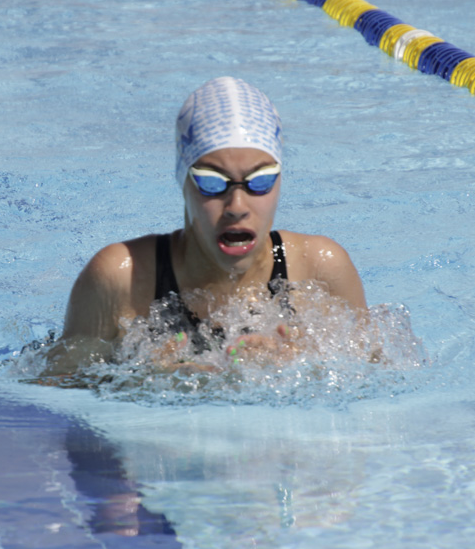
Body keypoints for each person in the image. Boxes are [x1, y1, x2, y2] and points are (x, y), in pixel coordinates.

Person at [40, 77, 368, 379]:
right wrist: (142, 383)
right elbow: (53, 392)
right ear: (182, 179)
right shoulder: (121, 278)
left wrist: (308, 369)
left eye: (261, 180)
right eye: (212, 182)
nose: (237, 206)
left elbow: (380, 383)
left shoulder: (320, 269)